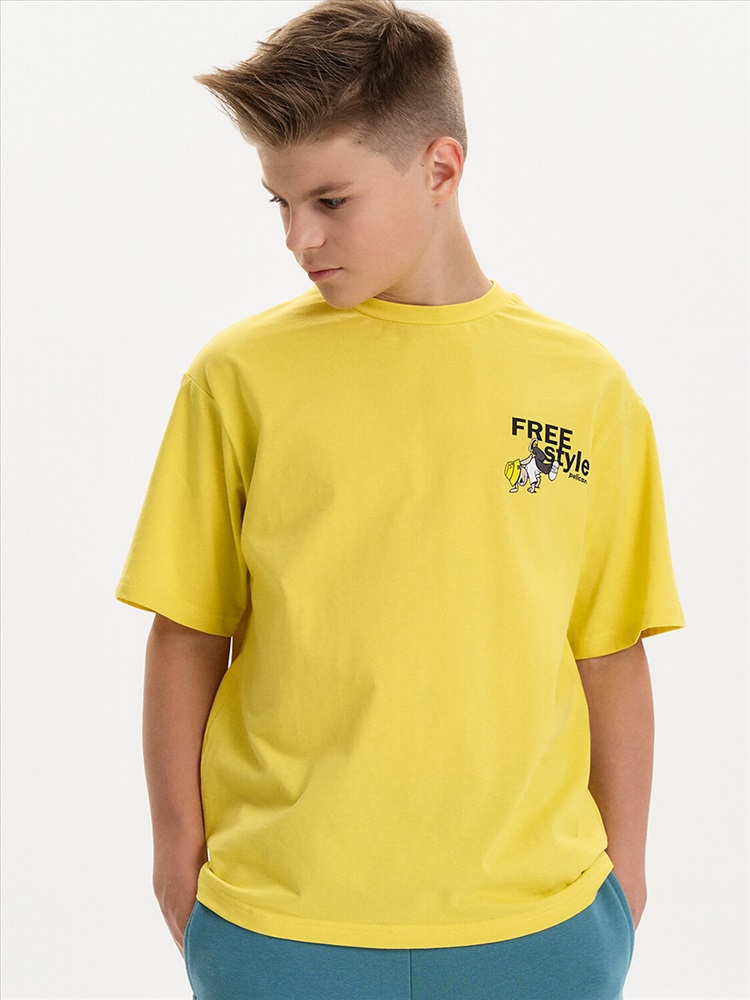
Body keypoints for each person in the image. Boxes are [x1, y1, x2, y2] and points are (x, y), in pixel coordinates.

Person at [115, 1, 685, 997]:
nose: (299, 235)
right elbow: (189, 632)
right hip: (277, 921)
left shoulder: (582, 389)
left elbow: (608, 648)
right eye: (280, 203)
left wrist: (623, 880)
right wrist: (179, 860)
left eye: (330, 200)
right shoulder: (239, 378)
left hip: (540, 923)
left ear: (441, 168)